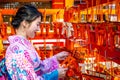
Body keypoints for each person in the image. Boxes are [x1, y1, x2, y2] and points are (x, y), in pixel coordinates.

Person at [5, 4, 69, 80]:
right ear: (25, 23)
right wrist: (55, 75)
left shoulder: (24, 46)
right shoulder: (16, 50)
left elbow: (38, 68)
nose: (38, 29)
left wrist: (55, 58)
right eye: (37, 24)